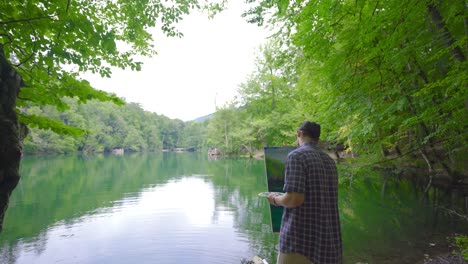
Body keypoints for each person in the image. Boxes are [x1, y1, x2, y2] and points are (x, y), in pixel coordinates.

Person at [267, 121, 342, 264]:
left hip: (300, 239)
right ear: (317, 139)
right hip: (326, 237)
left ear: (299, 134)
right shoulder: (329, 161)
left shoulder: (296, 156)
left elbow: (294, 199)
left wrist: (275, 199)